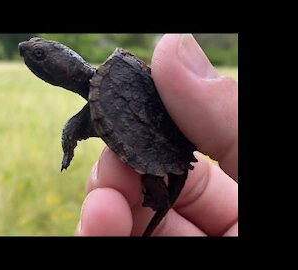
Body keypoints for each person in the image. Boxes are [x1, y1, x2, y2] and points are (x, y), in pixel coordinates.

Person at [75, 34, 238, 236]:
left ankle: (160, 200)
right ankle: (160, 200)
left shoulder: (102, 88)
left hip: (164, 145)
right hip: (169, 142)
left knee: (149, 180)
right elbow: (77, 126)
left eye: (39, 55)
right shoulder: (118, 66)